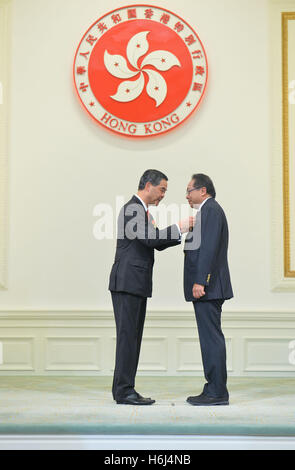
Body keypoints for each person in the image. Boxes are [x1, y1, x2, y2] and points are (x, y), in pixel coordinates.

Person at [109, 169, 194, 405]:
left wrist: (178, 231)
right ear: (148, 185)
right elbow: (150, 239)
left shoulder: (141, 211)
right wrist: (179, 227)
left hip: (134, 283)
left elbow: (153, 240)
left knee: (132, 338)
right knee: (128, 338)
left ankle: (125, 389)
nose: (163, 195)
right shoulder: (133, 208)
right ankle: (124, 391)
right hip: (127, 283)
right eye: (162, 189)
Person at [184, 174, 233, 406]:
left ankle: (216, 392)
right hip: (209, 286)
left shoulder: (210, 210)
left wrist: (200, 281)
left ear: (202, 191)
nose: (187, 196)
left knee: (211, 339)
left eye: (189, 190)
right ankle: (213, 388)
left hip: (209, 287)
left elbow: (209, 248)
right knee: (210, 339)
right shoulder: (207, 211)